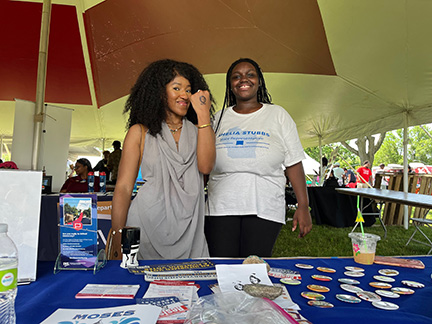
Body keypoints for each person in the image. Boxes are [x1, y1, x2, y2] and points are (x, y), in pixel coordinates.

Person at [205, 58, 312, 258]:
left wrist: (303, 206)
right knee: (222, 266)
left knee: (253, 268)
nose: (243, 79)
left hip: (265, 205)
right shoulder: (217, 118)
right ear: (230, 85)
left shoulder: (278, 115)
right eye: (236, 76)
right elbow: (205, 162)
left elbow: (294, 163)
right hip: (220, 206)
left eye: (250, 74)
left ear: (259, 81)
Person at [110, 59, 215, 260]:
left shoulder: (201, 131)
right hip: (146, 224)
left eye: (188, 90)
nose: (184, 95)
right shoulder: (139, 132)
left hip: (191, 230)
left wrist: (203, 115)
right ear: (159, 92)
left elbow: (206, 166)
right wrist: (117, 234)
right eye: (177, 88)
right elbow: (123, 187)